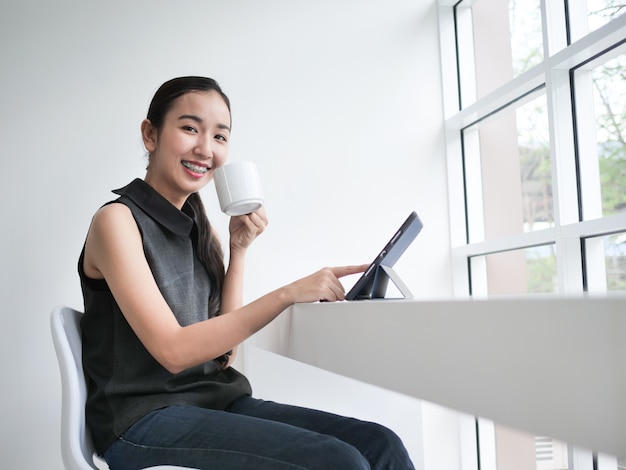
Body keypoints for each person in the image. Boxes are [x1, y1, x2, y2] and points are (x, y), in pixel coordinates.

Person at [79, 76, 416, 470]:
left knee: (380, 444)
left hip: (216, 401)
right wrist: (287, 293)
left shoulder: (197, 228)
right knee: (337, 461)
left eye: (220, 136)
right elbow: (174, 352)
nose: (205, 148)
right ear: (150, 135)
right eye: (189, 128)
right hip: (142, 420)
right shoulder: (116, 221)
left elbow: (222, 355)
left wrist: (238, 251)